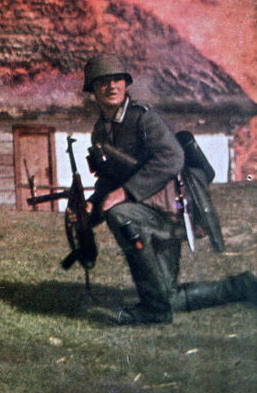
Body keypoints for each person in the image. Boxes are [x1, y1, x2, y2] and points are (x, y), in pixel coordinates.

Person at [82, 54, 257, 325]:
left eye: (117, 80)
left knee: (121, 214)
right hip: (146, 211)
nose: (111, 87)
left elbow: (172, 157)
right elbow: (108, 178)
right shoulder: (100, 132)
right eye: (103, 82)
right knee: (168, 296)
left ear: (126, 84)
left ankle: (154, 310)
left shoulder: (143, 119)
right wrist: (91, 205)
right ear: (92, 90)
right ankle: (241, 286)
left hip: (171, 209)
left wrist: (126, 192)